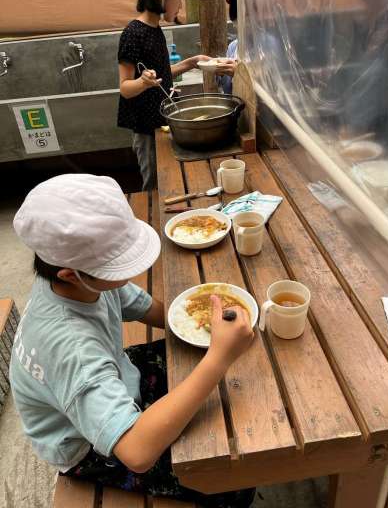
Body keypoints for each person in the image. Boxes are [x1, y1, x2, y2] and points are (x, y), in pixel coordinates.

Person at [10, 174, 256, 507]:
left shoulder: (75, 280)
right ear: (70, 274)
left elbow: (146, 308)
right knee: (230, 477)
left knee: (195, 359)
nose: (130, 271)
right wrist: (219, 357)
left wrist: (199, 320)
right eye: (118, 265)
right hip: (87, 444)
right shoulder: (71, 349)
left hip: (113, 376)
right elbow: (137, 452)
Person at [117, 0, 210, 191]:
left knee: (169, 180)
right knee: (154, 185)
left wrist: (193, 62)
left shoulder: (156, 29)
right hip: (146, 130)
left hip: (161, 122)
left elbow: (162, 75)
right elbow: (125, 88)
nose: (181, 6)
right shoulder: (133, 33)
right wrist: (142, 82)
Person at [217, 0, 239, 94]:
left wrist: (239, 73)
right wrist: (222, 73)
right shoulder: (233, 47)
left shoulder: (270, 45)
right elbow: (228, 90)